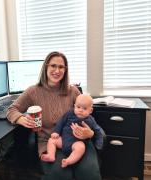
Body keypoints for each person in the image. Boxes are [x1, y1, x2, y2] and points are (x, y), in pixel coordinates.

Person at [7, 51, 103, 180]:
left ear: (65, 70)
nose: (57, 70)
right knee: (61, 175)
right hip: (50, 142)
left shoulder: (72, 91)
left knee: (89, 173)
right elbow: (12, 109)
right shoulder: (33, 91)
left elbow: (88, 116)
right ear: (46, 67)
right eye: (53, 66)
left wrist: (90, 134)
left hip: (78, 141)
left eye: (61, 67)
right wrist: (20, 118)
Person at [41, 94, 103, 168]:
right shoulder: (69, 114)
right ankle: (51, 155)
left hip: (76, 143)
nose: (80, 110)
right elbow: (61, 122)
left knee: (81, 147)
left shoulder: (91, 120)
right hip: (63, 140)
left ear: (90, 110)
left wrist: (98, 145)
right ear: (74, 106)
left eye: (84, 108)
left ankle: (68, 161)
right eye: (78, 107)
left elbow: (98, 131)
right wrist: (56, 132)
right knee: (52, 140)